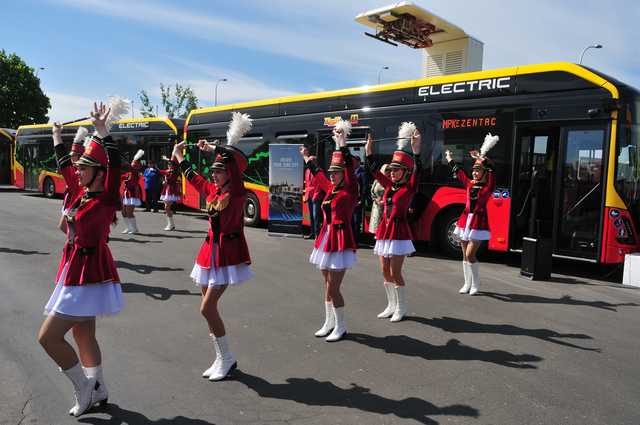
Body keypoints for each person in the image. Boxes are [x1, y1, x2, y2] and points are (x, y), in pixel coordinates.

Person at [38, 101, 125, 417]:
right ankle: (98, 386)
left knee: (47, 338)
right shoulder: (80, 193)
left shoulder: (106, 198)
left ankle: (83, 388)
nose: (78, 170)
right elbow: (65, 167)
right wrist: (57, 138)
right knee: (83, 333)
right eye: (79, 168)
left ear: (100, 173)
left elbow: (115, 167)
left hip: (88, 274)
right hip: (74, 270)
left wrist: (103, 132)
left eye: (84, 167)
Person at [171, 112, 253, 381]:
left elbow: (235, 167)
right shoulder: (214, 191)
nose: (214, 175)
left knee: (207, 308)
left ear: (230, 173)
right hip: (208, 253)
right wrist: (180, 157)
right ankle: (220, 357)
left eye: (219, 171)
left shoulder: (237, 193)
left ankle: (227, 358)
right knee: (208, 309)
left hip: (227, 255)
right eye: (214, 171)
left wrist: (217, 149)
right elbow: (195, 179)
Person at [302, 119, 358, 342]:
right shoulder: (330, 188)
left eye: (337, 173)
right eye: (332, 173)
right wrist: (308, 160)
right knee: (326, 284)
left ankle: (341, 326)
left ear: (344, 174)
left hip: (341, 241)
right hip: (326, 240)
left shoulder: (350, 190)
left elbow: (350, 169)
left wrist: (341, 143)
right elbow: (318, 175)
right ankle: (329, 322)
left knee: (334, 287)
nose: (333, 175)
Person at [365, 123, 421, 322]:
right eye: (392, 170)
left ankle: (401, 307)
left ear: (405, 172)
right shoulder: (389, 184)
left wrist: (416, 151)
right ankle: (390, 305)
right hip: (384, 230)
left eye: (397, 170)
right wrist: (369, 152)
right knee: (384, 270)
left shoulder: (410, 187)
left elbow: (418, 170)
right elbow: (374, 172)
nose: (393, 173)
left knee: (396, 272)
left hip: (399, 231)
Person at [446, 133, 498, 295]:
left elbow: (492, 169)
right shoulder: (470, 184)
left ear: (484, 173)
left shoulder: (488, 187)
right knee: (463, 254)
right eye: (474, 171)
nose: (475, 173)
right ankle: (467, 283)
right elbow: (459, 172)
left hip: (478, 221)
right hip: (464, 220)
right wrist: (449, 158)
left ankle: (476, 283)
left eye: (478, 171)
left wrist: (482, 158)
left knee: (470, 254)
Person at [58, 126, 88, 233]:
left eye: (73, 155)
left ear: (79, 155)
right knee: (65, 227)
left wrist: (56, 135)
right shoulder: (75, 167)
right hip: (71, 197)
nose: (71, 157)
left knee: (66, 227)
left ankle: (76, 242)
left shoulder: (81, 170)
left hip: (77, 199)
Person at [120, 149, 144, 234]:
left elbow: (130, 167)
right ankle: (128, 227)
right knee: (123, 212)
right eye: (132, 162)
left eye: (134, 162)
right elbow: (123, 176)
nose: (132, 163)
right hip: (127, 192)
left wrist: (122, 159)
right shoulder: (129, 172)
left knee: (129, 212)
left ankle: (135, 229)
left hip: (132, 193)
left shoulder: (135, 170)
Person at [159, 155, 182, 231]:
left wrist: (167, 159)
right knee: (166, 207)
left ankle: (171, 224)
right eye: (168, 164)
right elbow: (162, 172)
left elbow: (170, 177)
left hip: (171, 190)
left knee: (167, 207)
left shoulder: (174, 171)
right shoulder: (168, 171)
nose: (169, 165)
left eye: (170, 164)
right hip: (167, 190)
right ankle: (171, 224)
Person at [368, 164, 389, 235]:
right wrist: (375, 199)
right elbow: (372, 191)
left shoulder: (391, 181)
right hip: (377, 206)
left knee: (385, 228)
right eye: (386, 170)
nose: (388, 172)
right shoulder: (377, 180)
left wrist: (385, 201)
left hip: (386, 206)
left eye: (389, 170)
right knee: (376, 226)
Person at [303, 156, 321, 239]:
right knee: (311, 215)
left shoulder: (319, 171)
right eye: (309, 160)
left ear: (315, 162)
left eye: (312, 161)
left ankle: (317, 234)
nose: (309, 162)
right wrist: (305, 195)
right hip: (309, 195)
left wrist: (316, 195)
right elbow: (307, 183)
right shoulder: (307, 171)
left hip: (316, 196)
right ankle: (312, 233)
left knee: (315, 216)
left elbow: (320, 185)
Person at [351, 155, 366, 242]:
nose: (352, 163)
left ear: (358, 162)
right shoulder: (351, 172)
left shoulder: (362, 172)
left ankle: (355, 240)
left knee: (357, 221)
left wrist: (361, 200)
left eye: (354, 162)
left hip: (358, 201)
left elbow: (364, 187)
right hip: (351, 201)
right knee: (351, 221)